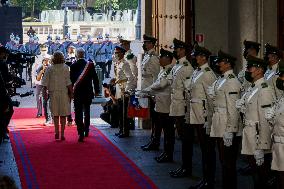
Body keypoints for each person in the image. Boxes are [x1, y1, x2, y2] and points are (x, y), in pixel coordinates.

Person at [236, 56, 274, 188]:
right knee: (255, 172)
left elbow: (266, 120)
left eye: (250, 67)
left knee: (262, 175)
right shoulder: (253, 88)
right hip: (250, 134)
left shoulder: (264, 90)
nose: (248, 70)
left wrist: (262, 147)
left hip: (258, 138)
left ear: (259, 70)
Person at [208, 50, 241, 189]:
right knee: (223, 160)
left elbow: (233, 109)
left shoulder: (232, 81)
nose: (218, 64)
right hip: (219, 123)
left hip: (226, 125)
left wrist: (230, 130)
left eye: (220, 62)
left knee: (228, 162)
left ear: (228, 64)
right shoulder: (221, 79)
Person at [185, 46, 216, 188]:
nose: (195, 58)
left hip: (203, 117)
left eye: (197, 56)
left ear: (204, 57)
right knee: (203, 149)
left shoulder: (208, 74)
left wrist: (209, 120)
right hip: (196, 114)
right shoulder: (198, 72)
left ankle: (209, 180)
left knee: (207, 149)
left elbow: (211, 99)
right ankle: (205, 179)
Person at [141, 48, 174, 162]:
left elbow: (161, 84)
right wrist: (147, 92)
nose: (159, 59)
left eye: (162, 57)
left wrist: (146, 90)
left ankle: (169, 154)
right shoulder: (163, 70)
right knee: (164, 129)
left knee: (168, 131)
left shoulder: (170, 70)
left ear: (168, 59)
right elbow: (156, 83)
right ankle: (165, 153)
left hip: (166, 105)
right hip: (160, 103)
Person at [70, 48, 100, 142]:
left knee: (78, 112)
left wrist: (70, 92)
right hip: (88, 92)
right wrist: (97, 90)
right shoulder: (90, 65)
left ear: (77, 55)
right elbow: (95, 79)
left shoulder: (73, 65)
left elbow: (71, 81)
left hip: (77, 92)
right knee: (87, 112)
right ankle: (86, 130)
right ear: (84, 54)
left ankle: (80, 132)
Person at [42, 52, 73, 141]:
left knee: (55, 114)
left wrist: (44, 92)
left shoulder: (49, 68)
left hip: (53, 93)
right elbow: (68, 82)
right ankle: (62, 134)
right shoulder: (66, 67)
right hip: (64, 93)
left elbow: (45, 82)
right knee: (63, 114)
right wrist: (71, 92)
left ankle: (56, 132)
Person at [265, 59, 284, 189]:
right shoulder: (282, 98)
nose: (280, 79)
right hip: (278, 145)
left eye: (282, 75)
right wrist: (271, 117)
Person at [140, 34, 160, 149]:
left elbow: (156, 76)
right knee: (152, 116)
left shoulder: (153, 57)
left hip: (151, 89)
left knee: (155, 117)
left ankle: (155, 140)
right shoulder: (148, 55)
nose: (145, 44)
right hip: (147, 88)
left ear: (152, 44)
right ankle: (152, 139)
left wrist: (153, 92)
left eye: (147, 42)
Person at [113, 46, 136, 138]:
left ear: (122, 53)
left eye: (118, 53)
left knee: (124, 112)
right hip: (119, 88)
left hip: (124, 88)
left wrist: (127, 90)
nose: (116, 54)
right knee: (120, 111)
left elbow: (130, 77)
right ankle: (121, 129)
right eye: (115, 53)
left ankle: (125, 131)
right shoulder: (119, 63)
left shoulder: (125, 64)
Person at [0, 47, 13, 142]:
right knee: (9, 109)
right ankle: (3, 130)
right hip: (1, 91)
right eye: (5, 55)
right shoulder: (2, 64)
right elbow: (7, 78)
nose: (6, 57)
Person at [36, 53, 52, 125]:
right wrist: (42, 70)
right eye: (45, 61)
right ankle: (47, 119)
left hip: (53, 87)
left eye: (48, 60)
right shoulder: (40, 68)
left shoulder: (52, 67)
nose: (46, 62)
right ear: (42, 61)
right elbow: (38, 78)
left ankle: (53, 118)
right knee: (45, 103)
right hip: (45, 88)